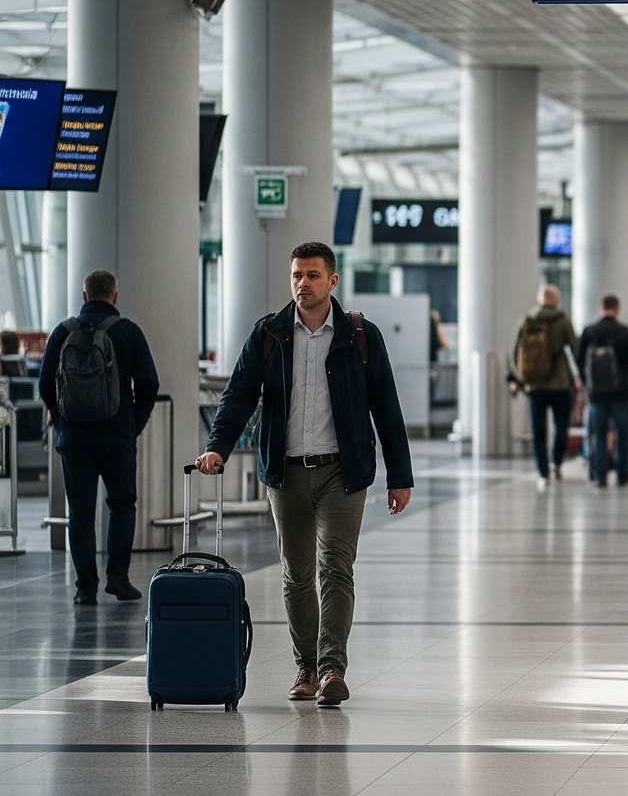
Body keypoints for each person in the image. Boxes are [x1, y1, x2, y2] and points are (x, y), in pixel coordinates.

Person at [199, 242, 413, 707]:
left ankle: (333, 667)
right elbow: (237, 396)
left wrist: (401, 475)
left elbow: (386, 406)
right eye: (297, 275)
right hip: (287, 472)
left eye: (313, 275)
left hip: (343, 471)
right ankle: (307, 667)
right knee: (296, 576)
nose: (303, 284)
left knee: (335, 568)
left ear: (332, 281)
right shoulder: (271, 335)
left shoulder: (360, 335)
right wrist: (217, 447)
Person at [38, 270, 160, 604]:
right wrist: (133, 424)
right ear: (115, 296)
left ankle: (85, 587)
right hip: (117, 434)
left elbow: (45, 385)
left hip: (73, 437)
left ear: (84, 295)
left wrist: (62, 417)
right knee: (121, 504)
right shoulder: (128, 332)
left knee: (80, 511)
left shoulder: (62, 333)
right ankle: (118, 579)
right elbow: (149, 383)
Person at [576, 293, 628, 487]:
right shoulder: (624, 333)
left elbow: (579, 360)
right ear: (617, 309)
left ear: (601, 308)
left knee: (598, 434)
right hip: (621, 393)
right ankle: (622, 473)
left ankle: (600, 474)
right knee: (623, 433)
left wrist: (587, 382)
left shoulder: (589, 332)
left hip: (597, 394)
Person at [509, 284, 579, 483]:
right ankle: (556, 462)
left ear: (540, 299)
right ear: (556, 300)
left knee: (538, 430)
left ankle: (542, 472)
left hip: (535, 386)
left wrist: (522, 379)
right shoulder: (562, 320)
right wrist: (580, 376)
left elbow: (514, 353)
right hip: (560, 383)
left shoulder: (526, 320)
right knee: (561, 426)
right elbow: (575, 348)